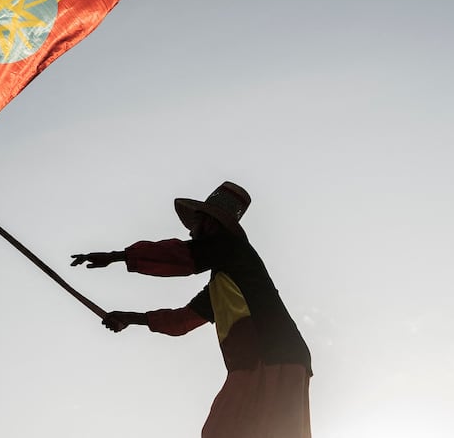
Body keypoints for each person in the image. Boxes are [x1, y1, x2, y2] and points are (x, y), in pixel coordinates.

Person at [71, 181, 312, 438]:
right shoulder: (227, 280)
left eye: (194, 225)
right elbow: (181, 321)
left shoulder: (233, 250)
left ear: (210, 225)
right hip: (257, 361)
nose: (190, 233)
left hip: (275, 356)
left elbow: (180, 257)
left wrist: (115, 256)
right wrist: (128, 318)